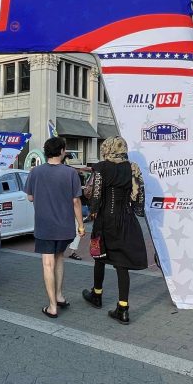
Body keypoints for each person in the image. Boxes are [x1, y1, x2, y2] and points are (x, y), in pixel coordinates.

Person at [80, 137, 147, 324]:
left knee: (99, 257)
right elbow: (139, 194)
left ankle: (97, 295)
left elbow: (96, 193)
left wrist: (93, 210)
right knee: (122, 263)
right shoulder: (132, 167)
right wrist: (137, 210)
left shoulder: (102, 167)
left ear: (107, 148)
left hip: (105, 219)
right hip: (126, 219)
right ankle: (123, 309)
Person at [24, 137, 84, 319]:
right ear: (62, 151)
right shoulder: (71, 173)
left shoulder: (35, 172)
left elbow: (30, 197)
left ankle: (52, 307)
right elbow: (76, 201)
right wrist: (81, 225)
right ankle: (59, 296)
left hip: (45, 226)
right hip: (65, 226)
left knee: (47, 264)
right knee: (59, 258)